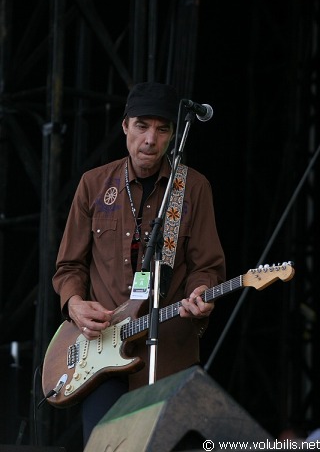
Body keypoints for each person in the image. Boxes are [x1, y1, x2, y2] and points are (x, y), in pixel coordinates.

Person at [52, 81, 226, 446]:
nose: (151, 139)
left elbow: (207, 266)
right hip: (101, 356)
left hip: (169, 354)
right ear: (125, 126)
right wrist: (75, 304)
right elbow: (69, 266)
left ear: (173, 135)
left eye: (162, 130)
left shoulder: (192, 188)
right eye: (143, 126)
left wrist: (200, 292)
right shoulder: (94, 185)